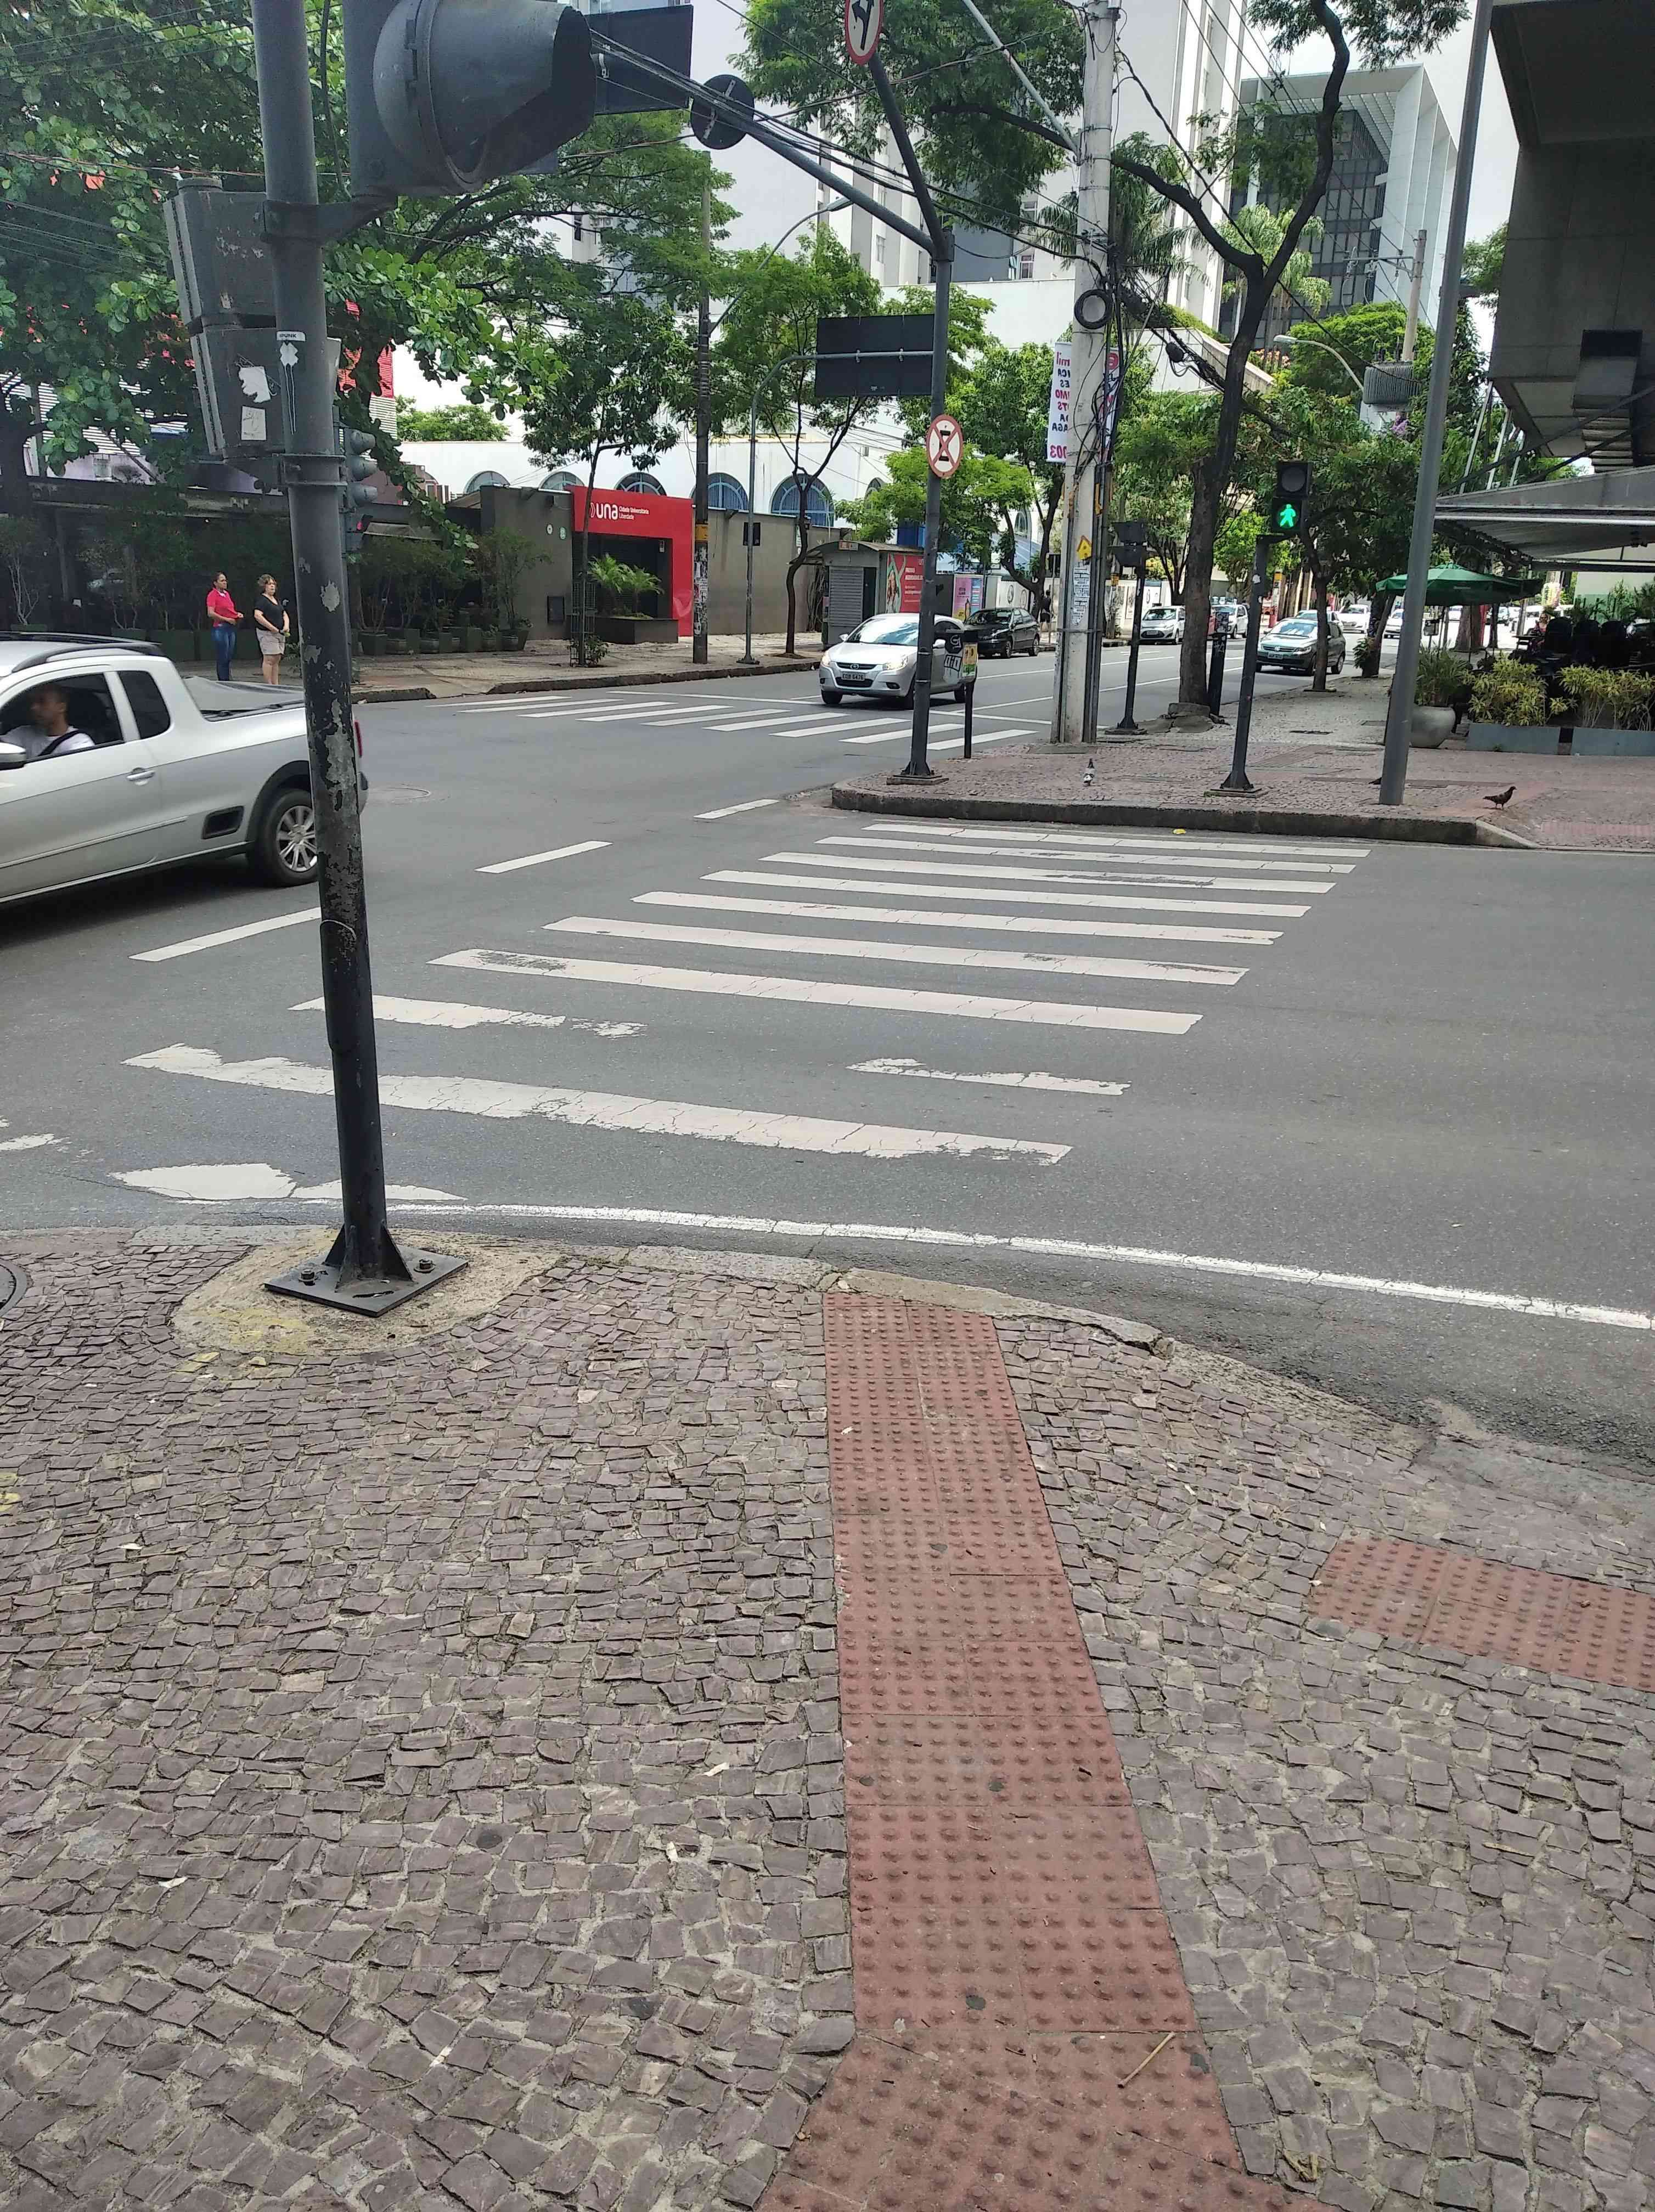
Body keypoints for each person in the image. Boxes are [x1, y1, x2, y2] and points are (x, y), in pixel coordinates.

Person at [4, 682, 94, 761]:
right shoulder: (24, 733)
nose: (34, 708)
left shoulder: (79, 744)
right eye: (32, 702)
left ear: (61, 707)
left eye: (42, 702)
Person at [252, 573, 289, 685]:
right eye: (269, 584)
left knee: (277, 659)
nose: (272, 586)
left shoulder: (276, 600)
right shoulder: (262, 600)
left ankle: (276, 684)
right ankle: (269, 685)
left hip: (280, 634)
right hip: (267, 634)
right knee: (269, 659)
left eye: (273, 584)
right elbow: (258, 615)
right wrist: (272, 628)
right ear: (264, 586)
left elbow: (284, 614)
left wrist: (286, 626)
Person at [206, 572, 240, 682]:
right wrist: (226, 619)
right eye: (222, 581)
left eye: (225, 580)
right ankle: (223, 680)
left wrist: (236, 615)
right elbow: (211, 613)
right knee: (223, 656)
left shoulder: (227, 594)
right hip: (221, 627)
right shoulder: (213, 595)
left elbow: (229, 610)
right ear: (216, 583)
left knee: (229, 656)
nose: (225, 582)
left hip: (230, 627)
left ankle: (228, 679)